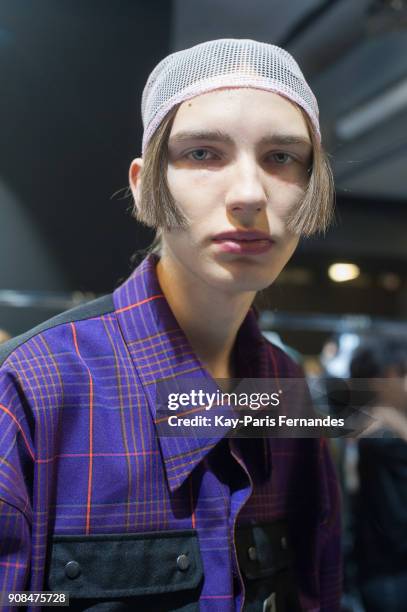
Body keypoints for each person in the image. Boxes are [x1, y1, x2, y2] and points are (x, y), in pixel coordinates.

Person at [0, 39, 341, 611]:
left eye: (282, 157)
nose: (249, 194)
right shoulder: (35, 388)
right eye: (203, 154)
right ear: (143, 185)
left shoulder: (290, 393)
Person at [349, 337, 407, 612]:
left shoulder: (364, 427)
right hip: (391, 575)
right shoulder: (382, 438)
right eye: (403, 374)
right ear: (378, 381)